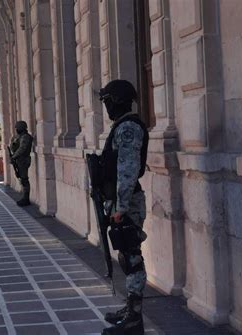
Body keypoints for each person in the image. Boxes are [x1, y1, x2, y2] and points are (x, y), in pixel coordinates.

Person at [99, 80, 149, 335]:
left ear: (117, 101)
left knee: (132, 257)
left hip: (126, 202)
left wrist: (120, 206)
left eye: (107, 101)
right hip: (121, 201)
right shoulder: (122, 126)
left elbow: (127, 170)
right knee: (126, 255)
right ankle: (131, 309)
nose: (106, 107)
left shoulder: (128, 127)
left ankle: (134, 319)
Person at [10, 120, 33, 206]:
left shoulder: (25, 137)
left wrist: (14, 156)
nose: (16, 129)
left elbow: (22, 148)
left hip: (23, 160)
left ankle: (26, 198)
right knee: (22, 179)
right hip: (20, 160)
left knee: (24, 179)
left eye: (17, 128)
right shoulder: (20, 136)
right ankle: (24, 197)